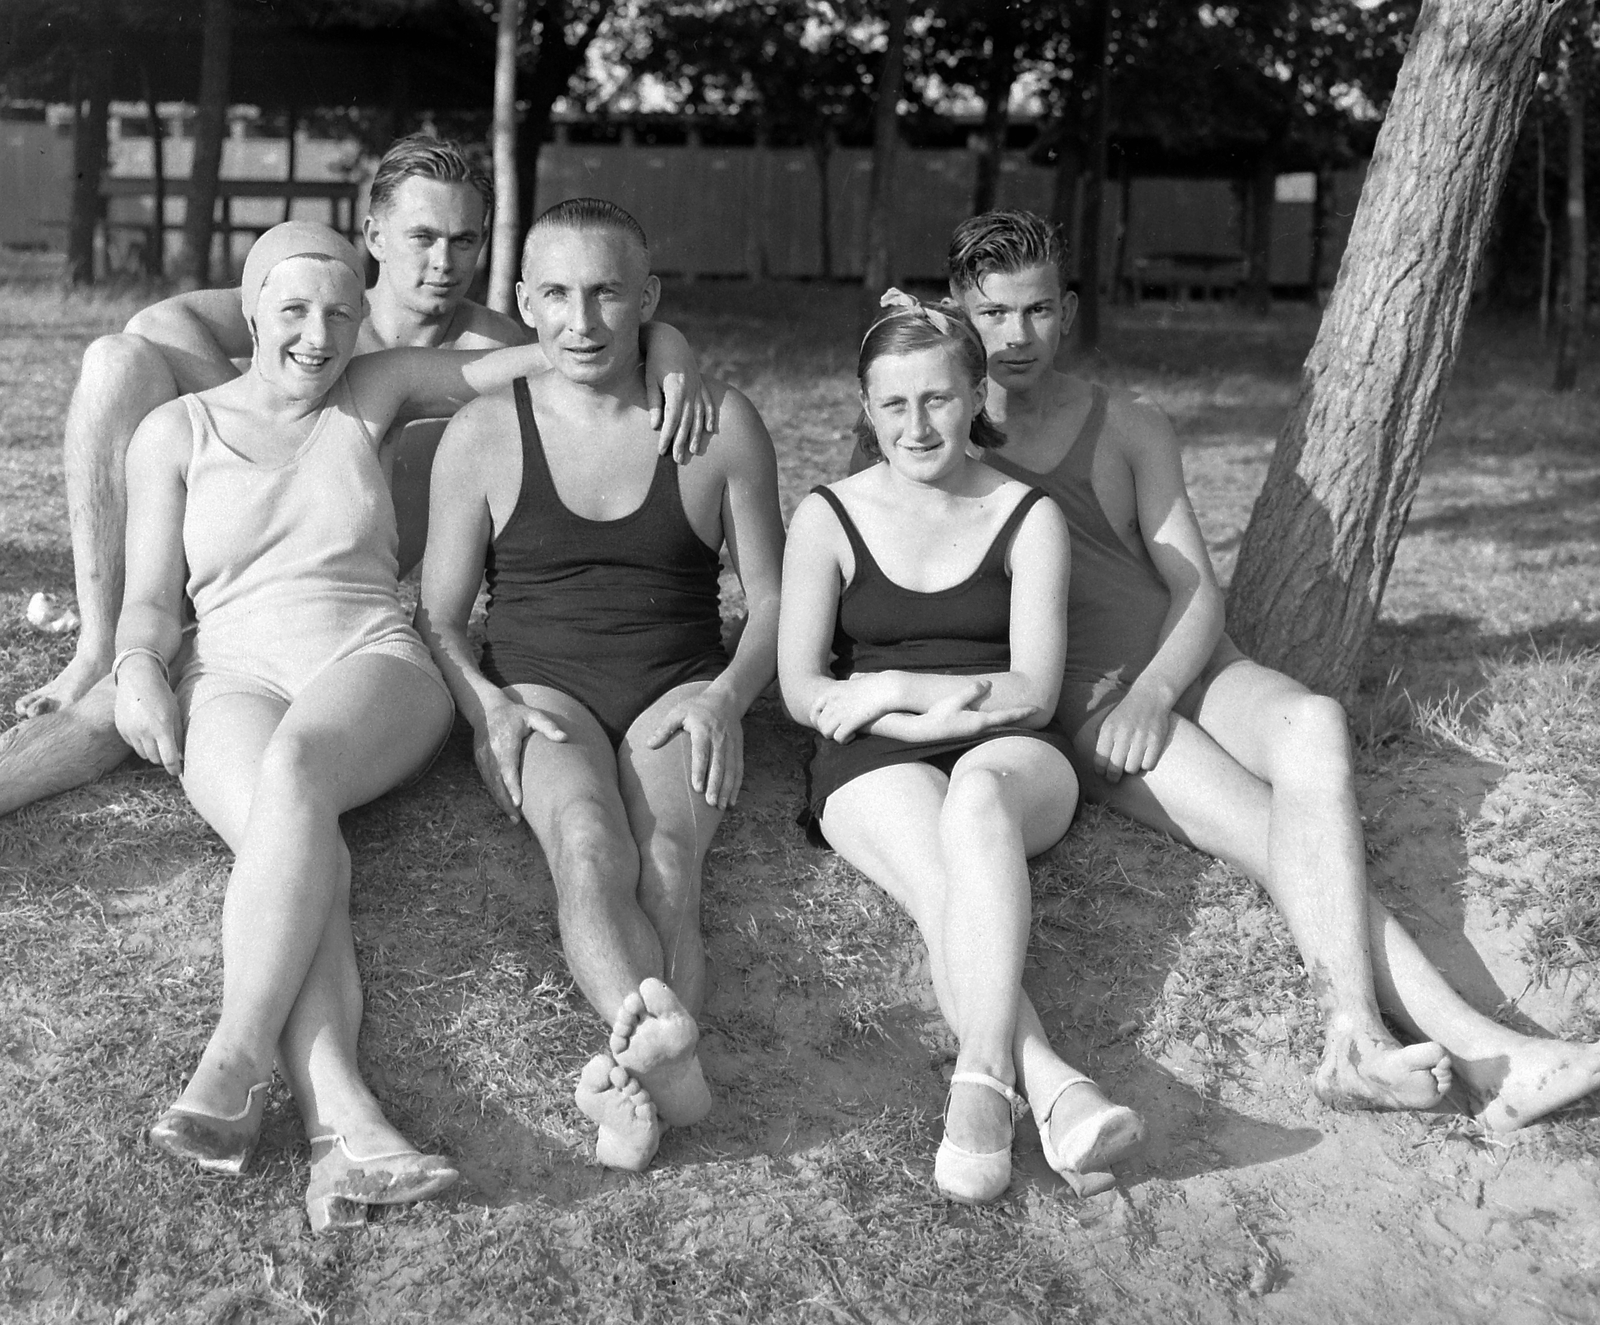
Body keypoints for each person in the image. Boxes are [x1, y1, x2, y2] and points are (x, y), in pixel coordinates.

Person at [938, 208, 1600, 1131]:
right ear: (958, 314)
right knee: (1268, 830)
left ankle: (1356, 1036)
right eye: (992, 313)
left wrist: (1163, 688)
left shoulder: (1127, 423)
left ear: (1070, 309)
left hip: (1190, 667)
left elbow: (1195, 591)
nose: (1016, 336)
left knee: (1316, 721)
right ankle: (1478, 1051)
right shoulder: (945, 438)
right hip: (1092, 704)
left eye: (1038, 310)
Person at [1, 133, 711, 816]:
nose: (445, 261)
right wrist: (280, 425)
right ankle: (96, 647)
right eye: (423, 237)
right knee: (116, 361)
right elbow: (160, 319)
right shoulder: (321, 299)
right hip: (228, 563)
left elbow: (583, 348)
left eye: (466, 240)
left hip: (343, 604)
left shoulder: (487, 345)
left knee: (176, 732)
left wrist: (667, 341)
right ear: (373, 236)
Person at [113, 220, 582, 1230]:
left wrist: (656, 341)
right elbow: (151, 601)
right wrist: (140, 665)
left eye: (338, 312)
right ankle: (344, 1124)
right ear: (249, 313)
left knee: (294, 777)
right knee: (294, 841)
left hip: (367, 659)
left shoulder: (373, 394)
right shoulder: (175, 431)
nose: (317, 335)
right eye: (292, 309)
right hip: (230, 668)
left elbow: (535, 356)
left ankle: (234, 1053)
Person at [417, 199, 786, 1172]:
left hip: (678, 683)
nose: (582, 321)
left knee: (668, 859)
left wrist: (727, 695)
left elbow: (779, 599)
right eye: (558, 295)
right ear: (527, 304)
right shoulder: (486, 433)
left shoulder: (720, 427)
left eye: (606, 292)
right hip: (543, 687)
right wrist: (485, 702)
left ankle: (647, 1070)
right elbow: (441, 616)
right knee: (585, 843)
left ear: (647, 299)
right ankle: (669, 1065)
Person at [781, 291, 1145, 1204]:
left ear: (976, 393)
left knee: (976, 803)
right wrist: (907, 727)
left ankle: (980, 1082)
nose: (916, 424)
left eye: (938, 399)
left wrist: (906, 695)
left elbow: (1029, 686)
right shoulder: (827, 514)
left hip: (1013, 748)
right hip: (871, 756)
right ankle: (1053, 1087)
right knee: (941, 877)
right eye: (893, 404)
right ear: (866, 408)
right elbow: (804, 690)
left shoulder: (1028, 514)